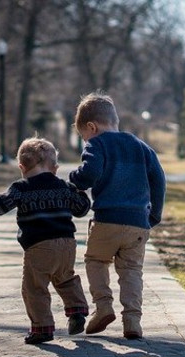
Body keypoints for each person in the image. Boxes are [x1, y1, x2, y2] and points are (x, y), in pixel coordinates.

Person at [0, 136, 91, 345]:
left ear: (22, 167)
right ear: (55, 168)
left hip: (39, 246)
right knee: (66, 278)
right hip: (67, 244)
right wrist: (82, 193)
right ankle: (77, 311)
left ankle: (42, 328)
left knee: (34, 287)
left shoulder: (20, 188)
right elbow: (81, 209)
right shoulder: (63, 186)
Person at [69, 91, 165, 340]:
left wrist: (74, 179)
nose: (85, 140)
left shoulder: (96, 144)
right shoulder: (141, 146)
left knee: (96, 261)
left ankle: (103, 307)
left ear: (92, 127)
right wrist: (154, 214)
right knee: (132, 270)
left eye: (83, 136)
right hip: (137, 223)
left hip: (107, 220)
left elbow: (89, 174)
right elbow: (159, 179)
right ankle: (132, 321)